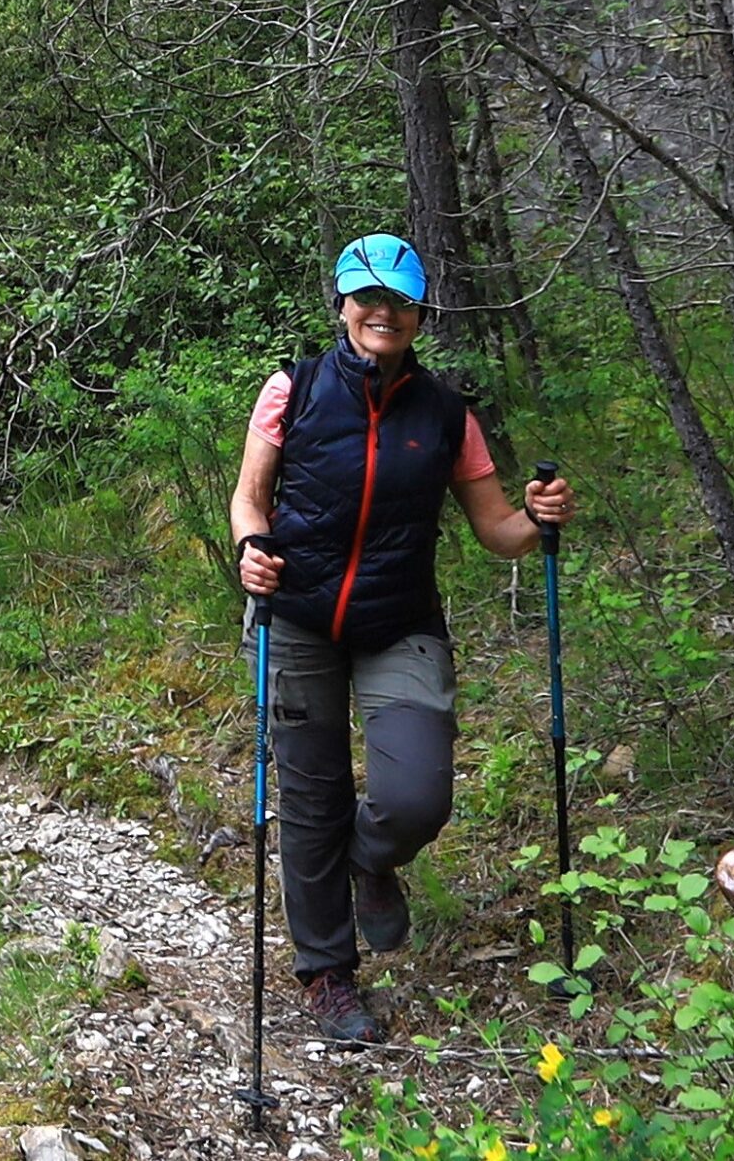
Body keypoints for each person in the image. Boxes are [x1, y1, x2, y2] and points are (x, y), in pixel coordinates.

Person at [228, 232, 576, 1045]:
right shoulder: (294, 389)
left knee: (418, 795)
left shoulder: (448, 413)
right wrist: (252, 552)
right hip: (299, 618)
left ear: (419, 314)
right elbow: (249, 499)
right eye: (367, 298)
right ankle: (328, 975)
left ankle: (373, 860)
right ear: (342, 305)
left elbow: (498, 531)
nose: (381, 312)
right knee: (312, 803)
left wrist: (541, 520)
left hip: (399, 622)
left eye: (400, 301)